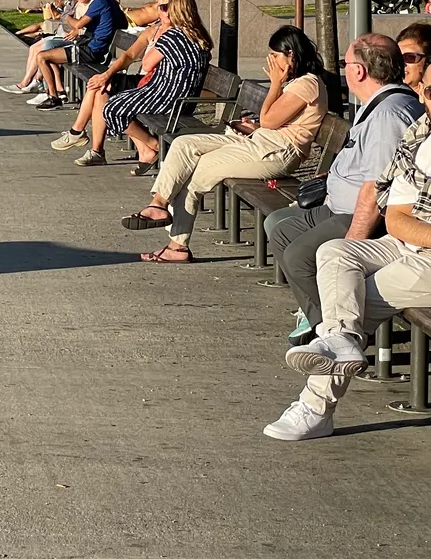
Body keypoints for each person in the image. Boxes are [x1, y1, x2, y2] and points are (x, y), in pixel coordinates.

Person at [264, 62, 431, 440]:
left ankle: (315, 407)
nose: (427, 97)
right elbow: (398, 218)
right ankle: (337, 338)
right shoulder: (421, 135)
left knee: (360, 302)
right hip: (404, 242)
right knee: (336, 253)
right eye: (429, 90)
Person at [267, 27, 428, 344]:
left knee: (299, 257)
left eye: (345, 64)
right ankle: (322, 320)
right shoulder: (378, 105)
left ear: (358, 70)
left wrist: (354, 240)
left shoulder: (389, 114)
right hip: (337, 205)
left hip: (359, 216)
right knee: (279, 227)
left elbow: (377, 188)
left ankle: (338, 333)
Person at [125, 26, 330, 263]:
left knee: (198, 170)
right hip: (262, 142)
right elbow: (272, 122)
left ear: (291, 54)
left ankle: (177, 247)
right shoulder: (297, 82)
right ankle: (158, 204)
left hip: (276, 152)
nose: (271, 61)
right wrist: (255, 127)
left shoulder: (308, 84)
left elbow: (269, 119)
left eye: (275, 55)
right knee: (184, 145)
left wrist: (274, 85)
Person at [52, 0, 211, 169]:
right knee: (102, 87)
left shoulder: (172, 36)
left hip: (165, 95)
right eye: (161, 7)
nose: (163, 11)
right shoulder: (200, 36)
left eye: (167, 8)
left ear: (175, 11)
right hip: (181, 97)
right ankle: (90, 139)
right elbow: (132, 56)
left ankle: (152, 145)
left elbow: (147, 63)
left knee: (111, 107)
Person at [31, 0, 124, 110]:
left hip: (91, 50)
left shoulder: (99, 2)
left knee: (41, 57)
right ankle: (56, 93)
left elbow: (78, 24)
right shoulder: (110, 0)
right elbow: (124, 23)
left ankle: (54, 97)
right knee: (47, 55)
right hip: (95, 47)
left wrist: (67, 16)